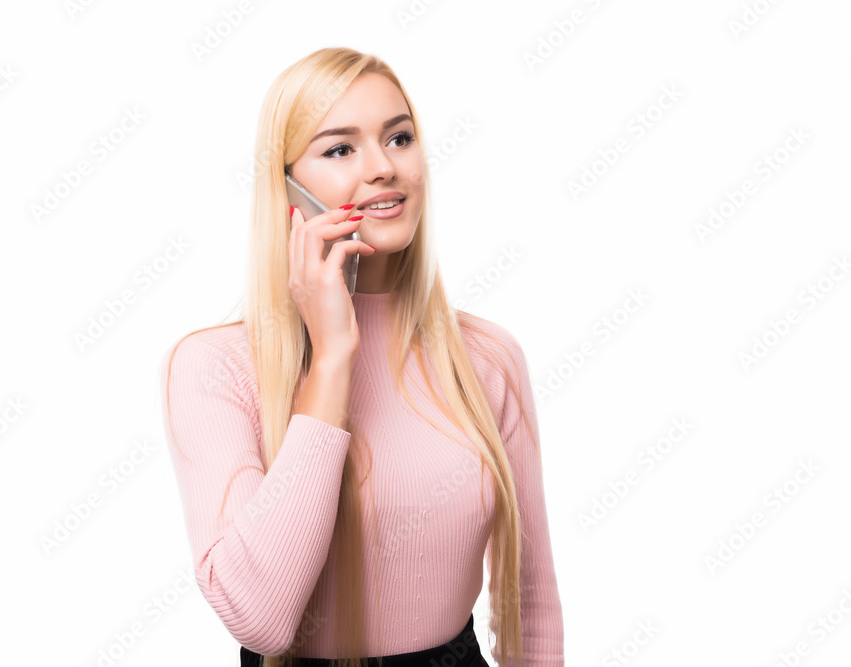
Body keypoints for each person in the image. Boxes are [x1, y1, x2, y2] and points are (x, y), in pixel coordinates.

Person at [159, 47, 564, 667]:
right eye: (341, 148)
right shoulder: (214, 366)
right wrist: (332, 357)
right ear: (287, 188)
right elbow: (259, 619)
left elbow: (531, 606)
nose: (383, 168)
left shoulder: (487, 358)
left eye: (399, 138)